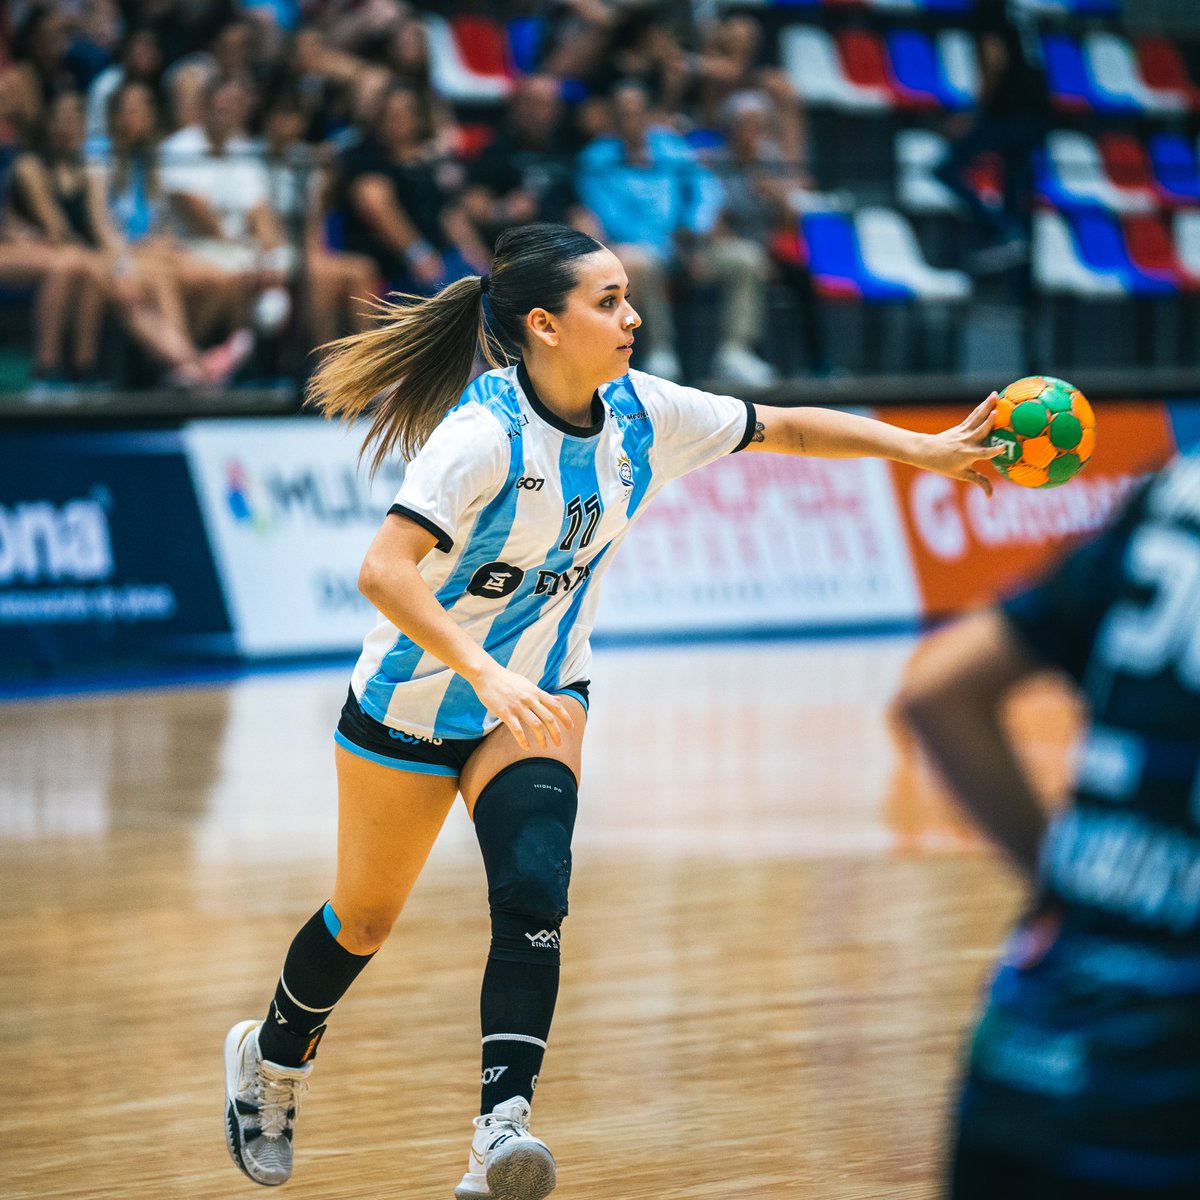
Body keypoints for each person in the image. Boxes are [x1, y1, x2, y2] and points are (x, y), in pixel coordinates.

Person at [220, 220, 1002, 1200]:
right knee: (364, 922)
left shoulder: (644, 414)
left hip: (541, 696)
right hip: (412, 705)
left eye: (628, 297)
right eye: (609, 302)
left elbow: (785, 425)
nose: (633, 317)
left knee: (534, 891)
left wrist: (923, 450)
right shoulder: (480, 437)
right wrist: (481, 670)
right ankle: (272, 1059)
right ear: (544, 326)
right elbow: (383, 570)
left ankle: (497, 1138)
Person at [897, 452, 1200, 1198]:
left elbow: (939, 691)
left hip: (1017, 1067)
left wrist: (1068, 884)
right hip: (1159, 1104)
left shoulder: (1173, 493)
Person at [576, 79, 777, 387]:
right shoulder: (596, 159)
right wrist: (670, 246)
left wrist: (693, 230)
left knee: (745, 257)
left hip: (690, 245)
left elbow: (706, 189)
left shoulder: (671, 147)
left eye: (637, 111)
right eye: (623, 113)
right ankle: (660, 352)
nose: (630, 119)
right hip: (641, 250)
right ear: (613, 118)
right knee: (640, 262)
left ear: (648, 114)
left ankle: (735, 352)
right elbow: (609, 215)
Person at [933, 0, 1050, 273]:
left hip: (1008, 112)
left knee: (945, 169)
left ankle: (1004, 230)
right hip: (1038, 110)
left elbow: (996, 62)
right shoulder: (1019, 9)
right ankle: (1014, 274)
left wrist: (974, 115)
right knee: (1013, 191)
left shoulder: (988, 8)